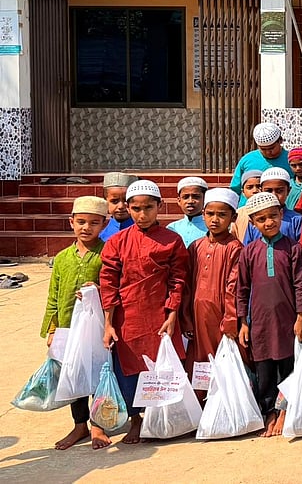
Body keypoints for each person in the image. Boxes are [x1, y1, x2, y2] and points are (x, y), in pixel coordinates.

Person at [99, 180, 189, 445]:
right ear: (128, 208)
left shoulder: (172, 240)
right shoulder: (117, 242)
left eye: (148, 207)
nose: (142, 214)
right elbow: (108, 282)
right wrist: (108, 323)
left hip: (160, 313)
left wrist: (172, 315)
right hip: (127, 316)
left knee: (160, 367)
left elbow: (178, 280)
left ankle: (161, 418)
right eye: (136, 208)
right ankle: (136, 419)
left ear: (160, 206)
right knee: (129, 369)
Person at [236, 191, 302, 438]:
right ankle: (269, 412)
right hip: (259, 322)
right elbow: (242, 289)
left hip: (288, 319)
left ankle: (285, 409)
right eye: (261, 219)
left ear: (281, 215)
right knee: (264, 369)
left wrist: (301, 317)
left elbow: (301, 285)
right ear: (253, 223)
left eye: (273, 216)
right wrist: (243, 322)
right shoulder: (248, 252)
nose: (269, 222)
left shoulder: (293, 248)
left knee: (288, 366)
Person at [41, 195, 109, 450]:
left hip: (97, 327)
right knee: (73, 375)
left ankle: (98, 424)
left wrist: (99, 289)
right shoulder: (62, 258)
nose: (86, 228)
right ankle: (79, 424)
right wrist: (52, 329)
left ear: (104, 224)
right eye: (81, 222)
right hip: (68, 326)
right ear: (71, 222)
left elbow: (117, 287)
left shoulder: (107, 253)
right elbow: (53, 296)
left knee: (98, 373)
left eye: (94, 223)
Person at [181, 188, 242, 379]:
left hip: (221, 315)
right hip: (198, 315)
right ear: (203, 214)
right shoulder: (196, 246)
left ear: (233, 217)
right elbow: (187, 286)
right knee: (198, 361)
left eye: (222, 215)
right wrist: (186, 318)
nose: (215, 219)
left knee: (222, 359)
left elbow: (234, 288)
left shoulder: (235, 248)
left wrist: (231, 319)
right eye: (210, 214)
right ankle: (201, 397)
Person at [230, 122, 290, 202]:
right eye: (263, 149)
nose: (268, 152)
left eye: (271, 148)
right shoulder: (247, 160)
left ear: (280, 141)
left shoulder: (291, 160)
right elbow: (235, 189)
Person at [247, 168, 302, 243]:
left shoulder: (297, 220)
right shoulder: (256, 219)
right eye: (268, 191)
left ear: (288, 191)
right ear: (261, 190)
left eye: (279, 191)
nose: (274, 195)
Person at [166, 176, 209, 247]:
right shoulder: (172, 228)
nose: (190, 201)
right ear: (179, 201)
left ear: (205, 199)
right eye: (185, 197)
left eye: (196, 197)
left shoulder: (212, 228)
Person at [99, 172, 138, 241]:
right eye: (114, 201)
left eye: (126, 201)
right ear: (106, 202)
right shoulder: (101, 237)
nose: (121, 206)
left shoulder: (143, 233)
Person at [231, 170, 263, 243]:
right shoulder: (238, 214)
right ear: (243, 192)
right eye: (250, 187)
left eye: (259, 186)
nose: (255, 190)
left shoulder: (272, 211)